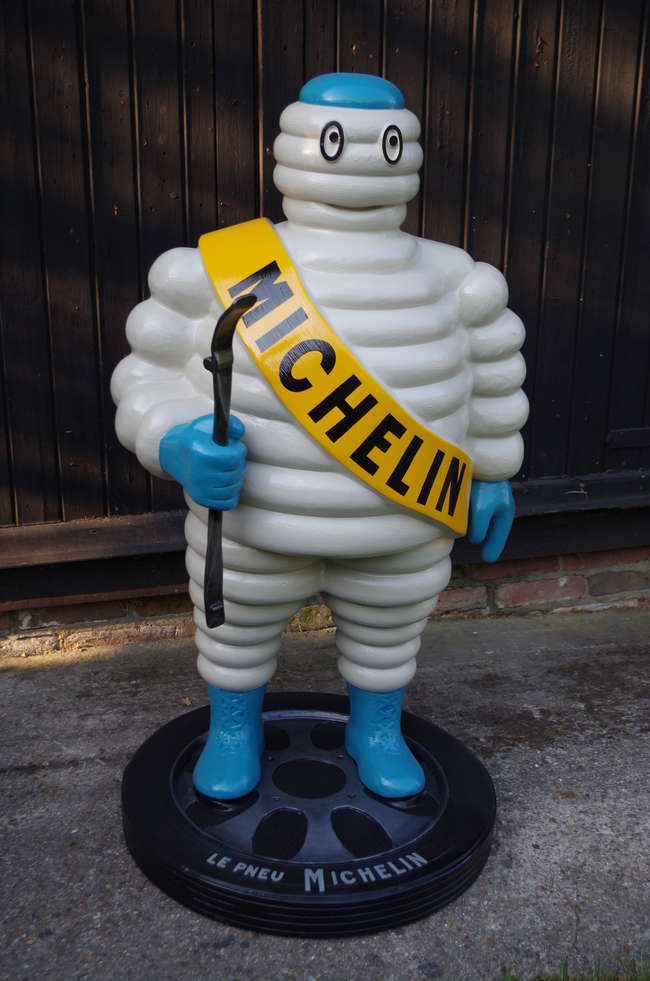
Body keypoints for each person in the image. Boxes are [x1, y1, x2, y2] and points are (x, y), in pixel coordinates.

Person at [111, 73, 527, 801]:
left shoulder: (456, 281)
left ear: (405, 152)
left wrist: (491, 472)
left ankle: (377, 731)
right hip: (255, 522)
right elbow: (147, 377)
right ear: (299, 148)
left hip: (403, 521)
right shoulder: (219, 269)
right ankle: (232, 731)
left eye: (385, 144)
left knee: (389, 634)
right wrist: (176, 443)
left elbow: (490, 376)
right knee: (236, 633)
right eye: (337, 143)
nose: (361, 161)